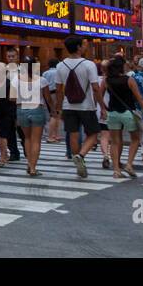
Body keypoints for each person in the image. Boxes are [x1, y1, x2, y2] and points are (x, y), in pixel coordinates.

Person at [55, 36, 104, 179]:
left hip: (68, 105)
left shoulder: (60, 65)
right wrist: (102, 107)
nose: (85, 47)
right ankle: (81, 155)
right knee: (93, 133)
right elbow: (95, 88)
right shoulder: (89, 65)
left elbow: (58, 90)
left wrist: (60, 108)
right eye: (82, 45)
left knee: (73, 134)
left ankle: (77, 159)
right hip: (86, 105)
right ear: (78, 47)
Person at [104, 56, 143, 179]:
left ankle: (116, 170)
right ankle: (129, 164)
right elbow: (139, 98)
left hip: (112, 112)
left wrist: (102, 108)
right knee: (135, 139)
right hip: (128, 112)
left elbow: (97, 93)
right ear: (122, 67)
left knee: (115, 141)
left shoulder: (107, 80)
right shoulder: (129, 80)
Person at [16, 56, 52, 177]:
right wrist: (54, 110)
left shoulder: (16, 80)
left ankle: (29, 163)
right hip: (37, 109)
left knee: (27, 138)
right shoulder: (42, 80)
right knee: (36, 140)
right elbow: (48, 98)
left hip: (21, 109)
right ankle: (32, 168)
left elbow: (10, 98)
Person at [0, 47, 22, 166]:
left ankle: (26, 150)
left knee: (21, 131)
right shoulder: (4, 70)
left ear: (17, 57)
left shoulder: (22, 71)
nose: (10, 59)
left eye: (13, 56)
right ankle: (13, 152)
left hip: (19, 103)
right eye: (8, 56)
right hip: (6, 105)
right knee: (8, 132)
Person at [41, 58, 61, 142]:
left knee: (55, 114)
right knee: (55, 114)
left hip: (47, 93)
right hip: (56, 93)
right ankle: (50, 136)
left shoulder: (45, 73)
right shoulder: (58, 72)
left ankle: (56, 135)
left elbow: (43, 84)